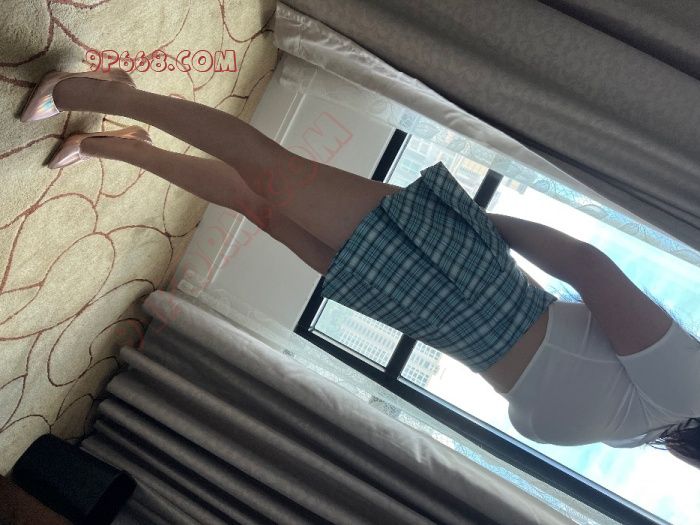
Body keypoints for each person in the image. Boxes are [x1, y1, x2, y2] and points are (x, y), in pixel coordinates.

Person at [20, 69, 700, 466]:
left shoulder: (653, 433)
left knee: (264, 209)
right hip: (461, 272)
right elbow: (587, 265)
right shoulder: (689, 385)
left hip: (422, 312)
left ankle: (119, 145)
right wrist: (474, 229)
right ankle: (99, 90)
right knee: (275, 173)